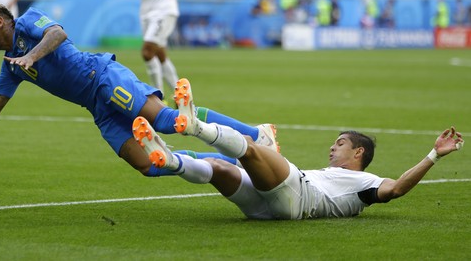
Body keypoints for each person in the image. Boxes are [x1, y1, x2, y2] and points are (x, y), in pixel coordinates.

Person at [0, 3, 277, 178]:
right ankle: (235, 160)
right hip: (97, 108)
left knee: (169, 122)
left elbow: (58, 34)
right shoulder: (10, 66)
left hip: (104, 76)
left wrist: (31, 56)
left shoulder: (27, 21)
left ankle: (256, 135)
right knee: (149, 165)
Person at [132, 78, 465, 220]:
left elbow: (397, 189)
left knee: (250, 148)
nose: (332, 147)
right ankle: (170, 159)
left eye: (341, 143)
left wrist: (434, 154)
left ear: (358, 154)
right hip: (269, 210)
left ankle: (195, 126)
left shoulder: (367, 183)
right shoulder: (335, 175)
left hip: (300, 197)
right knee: (221, 170)